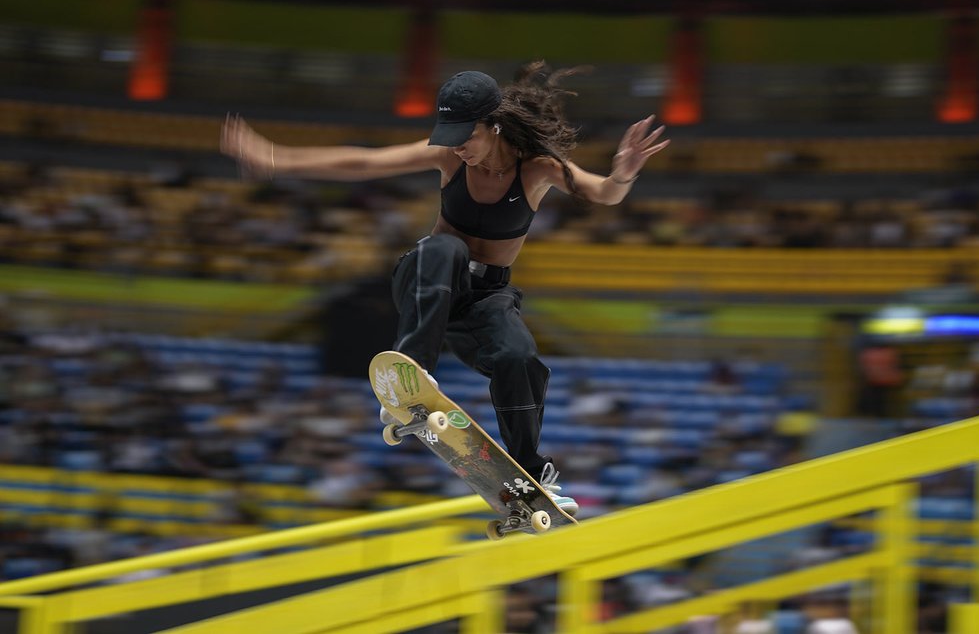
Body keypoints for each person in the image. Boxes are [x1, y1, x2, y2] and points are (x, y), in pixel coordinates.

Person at [220, 62, 670, 515]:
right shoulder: (449, 157)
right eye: (451, 137)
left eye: (466, 137)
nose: (459, 148)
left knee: (520, 358)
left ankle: (530, 475)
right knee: (446, 248)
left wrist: (623, 174)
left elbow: (605, 193)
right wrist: (276, 157)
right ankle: (409, 374)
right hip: (425, 283)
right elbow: (365, 161)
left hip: (483, 300)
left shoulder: (537, 168)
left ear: (493, 125)